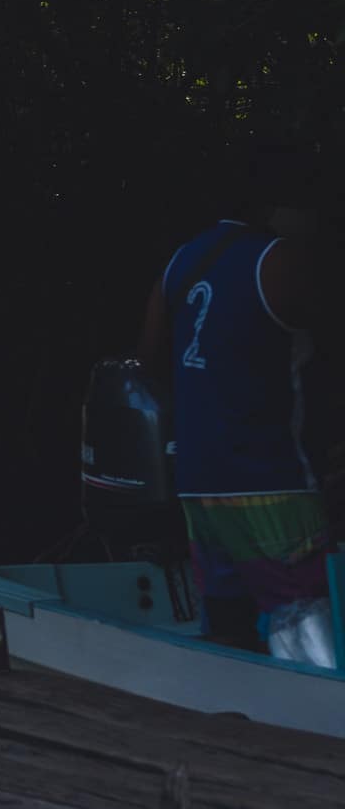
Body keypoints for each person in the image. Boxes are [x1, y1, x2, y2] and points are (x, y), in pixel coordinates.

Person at [134, 142, 335, 661]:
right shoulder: (282, 258)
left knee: (226, 621)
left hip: (200, 484)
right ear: (277, 206)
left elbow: (151, 359)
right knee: (305, 624)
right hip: (273, 480)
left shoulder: (183, 259)